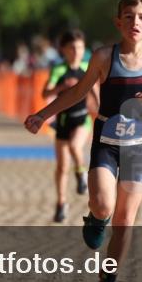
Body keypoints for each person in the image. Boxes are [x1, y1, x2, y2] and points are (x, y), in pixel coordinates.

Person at [24, 0, 142, 282]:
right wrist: (42, 115)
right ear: (118, 22)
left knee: (125, 220)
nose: (135, 22)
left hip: (137, 147)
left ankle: (109, 280)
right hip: (106, 142)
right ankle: (96, 218)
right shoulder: (104, 57)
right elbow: (77, 93)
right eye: (129, 17)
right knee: (104, 205)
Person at [42, 30, 99, 222]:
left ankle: (81, 175)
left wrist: (101, 113)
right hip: (63, 121)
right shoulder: (58, 70)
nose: (77, 51)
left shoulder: (87, 67)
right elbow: (45, 93)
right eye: (72, 48)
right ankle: (61, 203)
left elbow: (96, 93)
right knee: (62, 166)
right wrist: (60, 88)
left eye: (81, 47)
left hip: (83, 118)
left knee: (76, 146)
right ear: (63, 50)